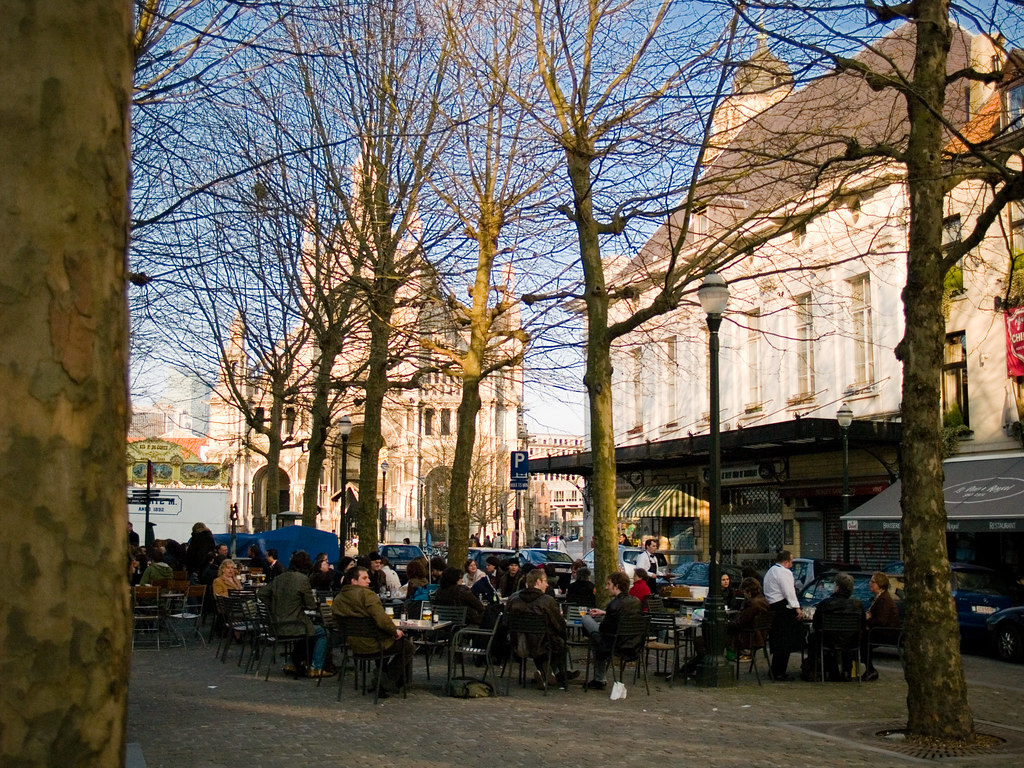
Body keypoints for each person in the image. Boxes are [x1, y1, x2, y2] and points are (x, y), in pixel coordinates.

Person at [332, 566, 415, 698]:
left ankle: (384, 677)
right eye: (364, 578)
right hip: (375, 644)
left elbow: (336, 624)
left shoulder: (338, 599)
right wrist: (395, 632)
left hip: (354, 645)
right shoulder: (367, 595)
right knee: (407, 647)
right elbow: (382, 620)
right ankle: (385, 680)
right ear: (354, 581)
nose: (369, 581)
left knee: (392, 645)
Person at [258, 550, 332, 678]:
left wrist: (273, 605)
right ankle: (316, 666)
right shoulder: (302, 579)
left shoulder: (279, 578)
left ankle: (292, 663)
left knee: (307, 631)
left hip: (277, 624)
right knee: (322, 632)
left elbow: (262, 594)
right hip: (294, 624)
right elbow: (311, 605)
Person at [506, 568, 578, 689]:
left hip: (519, 644)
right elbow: (559, 624)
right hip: (543, 644)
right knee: (560, 644)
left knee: (544, 641)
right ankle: (550, 674)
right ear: (538, 582)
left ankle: (548, 674)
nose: (547, 584)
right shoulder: (546, 601)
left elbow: (506, 622)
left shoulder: (514, 600)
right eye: (545, 581)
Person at [582, 572, 642, 690]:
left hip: (614, 644)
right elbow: (625, 616)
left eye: (608, 584)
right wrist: (605, 613)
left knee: (586, 619)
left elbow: (604, 630)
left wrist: (602, 619)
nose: (606, 587)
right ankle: (599, 678)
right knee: (595, 638)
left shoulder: (613, 604)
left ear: (616, 586)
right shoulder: (636, 602)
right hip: (634, 644)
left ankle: (599, 678)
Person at [807, 572, 864, 682]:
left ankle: (821, 669)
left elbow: (816, 624)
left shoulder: (825, 604)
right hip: (851, 641)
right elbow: (862, 624)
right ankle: (847, 671)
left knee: (813, 637)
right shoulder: (857, 605)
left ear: (837, 587)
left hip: (828, 641)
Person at [762, 550, 802, 682]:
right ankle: (779, 671)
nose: (791, 564)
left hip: (773, 606)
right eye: (791, 561)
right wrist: (796, 607)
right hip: (782, 608)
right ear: (786, 562)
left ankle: (775, 669)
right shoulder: (784, 572)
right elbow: (789, 591)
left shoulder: (771, 571)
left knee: (778, 640)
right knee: (785, 641)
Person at [861, 571, 900, 681]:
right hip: (882, 630)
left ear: (880, 584)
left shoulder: (883, 600)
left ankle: (870, 669)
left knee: (862, 640)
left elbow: (881, 620)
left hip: (887, 632)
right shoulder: (880, 597)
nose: (870, 583)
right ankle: (869, 669)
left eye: (872, 581)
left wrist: (868, 620)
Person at [725, 577, 770, 657]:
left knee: (710, 638)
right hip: (758, 636)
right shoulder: (763, 601)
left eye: (744, 592)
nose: (744, 594)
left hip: (747, 637)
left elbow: (740, 622)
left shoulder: (753, 604)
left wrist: (725, 624)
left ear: (748, 591)